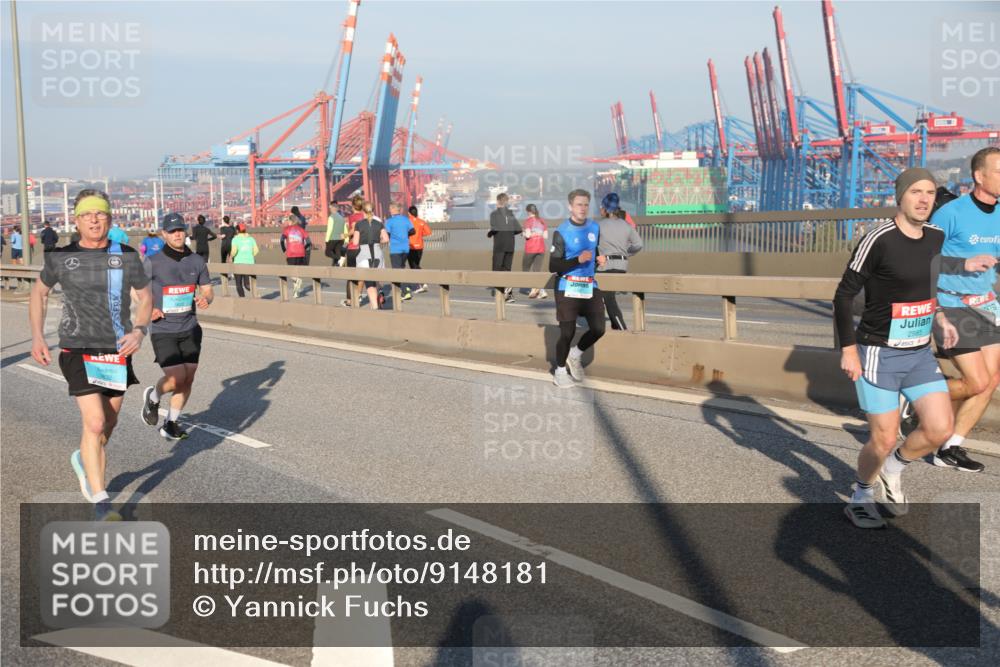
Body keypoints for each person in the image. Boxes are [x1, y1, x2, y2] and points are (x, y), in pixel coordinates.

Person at [834, 168, 957, 529]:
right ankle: (861, 495)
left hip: (919, 352)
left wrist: (941, 318)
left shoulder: (935, 237)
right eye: (916, 191)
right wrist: (848, 349)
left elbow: (926, 287)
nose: (924, 199)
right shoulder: (879, 239)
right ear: (900, 197)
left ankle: (893, 468)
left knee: (939, 430)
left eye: (930, 193)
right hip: (878, 352)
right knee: (884, 437)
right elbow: (843, 296)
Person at [29, 189, 152, 521]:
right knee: (94, 422)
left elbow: (145, 297)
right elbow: (39, 293)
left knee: (107, 424)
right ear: (77, 221)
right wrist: (38, 336)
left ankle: (84, 458)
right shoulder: (61, 257)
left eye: (100, 214)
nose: (94, 220)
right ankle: (101, 503)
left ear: (109, 219)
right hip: (77, 348)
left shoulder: (126, 256)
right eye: (87, 215)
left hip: (116, 350)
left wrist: (139, 331)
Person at [927, 146, 1000, 472]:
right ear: (979, 176)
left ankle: (950, 447)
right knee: (977, 382)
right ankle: (917, 398)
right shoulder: (951, 213)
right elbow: (924, 260)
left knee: (992, 379)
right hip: (950, 303)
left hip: (985, 303)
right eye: (999, 171)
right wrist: (963, 264)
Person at [141, 212, 213, 441]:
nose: (177, 234)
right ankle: (153, 397)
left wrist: (206, 299)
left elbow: (208, 289)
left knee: (188, 378)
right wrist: (149, 309)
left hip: (190, 327)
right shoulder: (152, 261)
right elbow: (136, 290)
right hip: (163, 328)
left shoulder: (197, 261)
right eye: (172, 231)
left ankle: (171, 423)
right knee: (175, 379)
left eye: (180, 230)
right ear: (164, 234)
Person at [548, 189, 607, 388]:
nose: (582, 208)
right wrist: (577, 260)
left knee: (599, 328)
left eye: (585, 205)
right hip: (567, 285)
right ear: (570, 207)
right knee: (567, 333)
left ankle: (575, 354)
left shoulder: (594, 227)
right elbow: (553, 266)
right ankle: (559, 371)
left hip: (589, 284)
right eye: (578, 204)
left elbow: (594, 251)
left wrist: (599, 259)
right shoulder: (562, 231)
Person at [595, 195, 644, 330]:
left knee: (608, 299)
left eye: (601, 207)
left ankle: (622, 330)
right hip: (622, 265)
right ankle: (615, 328)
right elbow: (639, 244)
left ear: (605, 209)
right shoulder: (626, 225)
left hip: (605, 266)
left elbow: (590, 245)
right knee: (606, 297)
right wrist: (625, 253)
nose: (600, 209)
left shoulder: (599, 226)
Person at [352, 203, 388, 310]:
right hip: (377, 253)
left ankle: (375, 307)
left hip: (364, 254)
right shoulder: (379, 223)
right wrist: (377, 241)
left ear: (363, 211)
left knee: (369, 282)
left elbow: (355, 242)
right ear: (373, 210)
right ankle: (375, 303)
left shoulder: (359, 224)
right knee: (375, 279)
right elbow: (386, 239)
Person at [488, 192, 521, 302]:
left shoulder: (494, 214)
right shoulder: (511, 214)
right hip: (510, 245)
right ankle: (509, 295)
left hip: (500, 245)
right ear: (506, 202)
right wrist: (509, 232)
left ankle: (500, 294)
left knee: (497, 269)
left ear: (498, 201)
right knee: (507, 269)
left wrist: (490, 233)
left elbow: (495, 228)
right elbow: (518, 229)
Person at [384, 202, 417, 300]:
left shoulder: (389, 221)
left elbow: (387, 235)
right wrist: (404, 235)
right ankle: (404, 288)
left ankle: (405, 291)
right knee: (401, 269)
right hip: (405, 249)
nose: (389, 210)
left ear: (394, 209)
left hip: (395, 249)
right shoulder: (406, 219)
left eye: (390, 208)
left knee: (397, 271)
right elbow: (413, 231)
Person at [341, 195, 366, 306]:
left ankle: (349, 300)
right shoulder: (365, 216)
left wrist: (345, 234)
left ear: (353, 206)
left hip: (353, 248)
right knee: (362, 273)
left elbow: (354, 228)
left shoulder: (352, 217)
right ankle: (358, 295)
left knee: (351, 275)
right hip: (364, 248)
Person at [280, 214, 311, 298]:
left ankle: (297, 280)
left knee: (291, 272)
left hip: (291, 253)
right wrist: (304, 248)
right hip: (301, 253)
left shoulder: (287, 229)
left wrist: (284, 249)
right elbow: (309, 242)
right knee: (296, 273)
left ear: (291, 221)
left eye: (288, 221)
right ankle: (296, 293)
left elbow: (282, 240)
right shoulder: (302, 230)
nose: (288, 222)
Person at [521, 204, 549, 299]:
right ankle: (541, 290)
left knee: (525, 269)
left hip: (531, 248)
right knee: (537, 271)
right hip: (541, 248)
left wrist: (523, 233)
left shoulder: (528, 221)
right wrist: (538, 233)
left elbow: (528, 235)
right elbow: (545, 236)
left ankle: (534, 289)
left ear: (528, 211)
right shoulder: (542, 221)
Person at [407, 205, 432, 293]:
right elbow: (428, 232)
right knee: (416, 265)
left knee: (413, 266)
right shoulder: (421, 222)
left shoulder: (407, 221)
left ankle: (422, 283)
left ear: (409, 213)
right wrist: (420, 234)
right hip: (420, 247)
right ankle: (419, 284)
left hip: (410, 246)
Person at [230, 223, 258, 297]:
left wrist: (230, 257)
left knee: (238, 284)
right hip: (249, 263)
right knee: (247, 284)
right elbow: (256, 250)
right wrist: (249, 256)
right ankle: (256, 294)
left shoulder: (235, 239)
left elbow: (234, 251)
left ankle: (242, 299)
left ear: (237, 231)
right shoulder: (251, 239)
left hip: (238, 263)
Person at [325, 201, 347, 266]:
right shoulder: (341, 218)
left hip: (333, 238)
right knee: (337, 252)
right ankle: (338, 264)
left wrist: (326, 240)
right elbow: (345, 229)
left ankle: (339, 259)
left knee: (327, 252)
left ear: (331, 207)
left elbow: (329, 229)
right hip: (341, 239)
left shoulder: (331, 217)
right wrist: (346, 239)